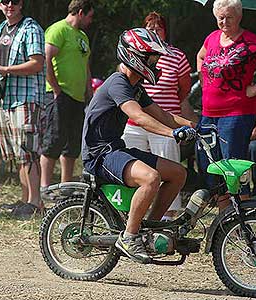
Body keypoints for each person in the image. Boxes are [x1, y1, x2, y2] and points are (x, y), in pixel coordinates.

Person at [82, 28, 196, 263]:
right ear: (134, 57)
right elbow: (141, 118)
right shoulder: (118, 83)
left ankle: (149, 229)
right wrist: (173, 134)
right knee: (151, 178)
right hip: (100, 154)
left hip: (116, 148)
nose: (155, 63)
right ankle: (129, 236)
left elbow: (164, 115)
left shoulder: (135, 86)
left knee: (177, 173)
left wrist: (200, 125)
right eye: (152, 58)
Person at [196, 0, 256, 208]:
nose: (224, 21)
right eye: (220, 17)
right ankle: (224, 219)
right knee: (211, 166)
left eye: (229, 17)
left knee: (233, 167)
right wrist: (204, 80)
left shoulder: (249, 41)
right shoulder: (212, 38)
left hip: (236, 113)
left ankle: (241, 220)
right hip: (209, 114)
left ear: (239, 17)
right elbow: (201, 55)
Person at [122, 12, 197, 220]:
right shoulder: (135, 55)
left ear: (165, 31)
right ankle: (129, 215)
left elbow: (184, 89)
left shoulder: (176, 56)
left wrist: (170, 114)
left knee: (169, 167)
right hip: (134, 121)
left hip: (165, 120)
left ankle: (166, 217)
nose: (154, 31)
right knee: (132, 168)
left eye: (158, 27)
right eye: (149, 27)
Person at [0, 0, 46, 219]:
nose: (10, 4)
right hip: (6, 99)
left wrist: (5, 69)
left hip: (27, 97)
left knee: (28, 150)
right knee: (16, 153)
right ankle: (26, 200)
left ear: (21, 4)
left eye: (15, 1)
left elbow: (37, 63)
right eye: (5, 1)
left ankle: (35, 201)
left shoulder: (31, 27)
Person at [40, 0, 94, 199]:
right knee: (53, 140)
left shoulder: (82, 37)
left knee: (72, 144)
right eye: (89, 16)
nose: (91, 20)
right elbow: (46, 59)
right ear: (80, 12)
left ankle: (66, 187)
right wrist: (55, 89)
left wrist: (89, 92)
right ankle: (45, 187)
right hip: (59, 95)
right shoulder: (58, 30)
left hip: (78, 98)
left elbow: (86, 66)